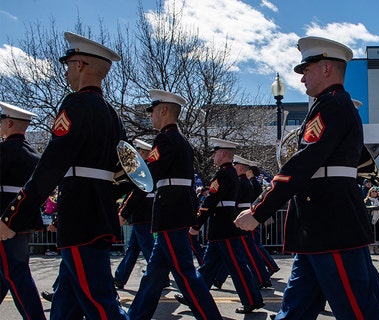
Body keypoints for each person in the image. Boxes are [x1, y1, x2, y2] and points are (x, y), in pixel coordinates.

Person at [234, 36, 379, 319]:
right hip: (319, 226)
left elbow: (303, 162)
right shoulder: (329, 105)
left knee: (356, 311)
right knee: (295, 309)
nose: (303, 78)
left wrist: (259, 210)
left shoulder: (332, 105)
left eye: (307, 70)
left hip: (331, 224)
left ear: (327, 68)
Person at [0, 32, 130, 319]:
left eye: (69, 64)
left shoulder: (76, 104)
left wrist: (13, 215)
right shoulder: (112, 114)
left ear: (80, 65)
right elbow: (126, 173)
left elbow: (51, 166)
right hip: (97, 216)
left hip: (80, 218)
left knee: (101, 305)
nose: (67, 70)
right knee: (66, 305)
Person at [126, 89, 221, 320]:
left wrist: (124, 210)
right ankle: (136, 316)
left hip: (170, 212)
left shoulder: (166, 139)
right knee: (154, 273)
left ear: (164, 110)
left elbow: (147, 178)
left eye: (153, 112)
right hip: (175, 211)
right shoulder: (180, 141)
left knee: (185, 273)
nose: (151, 117)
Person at [177, 138, 264, 314]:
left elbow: (211, 201)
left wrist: (197, 223)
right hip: (222, 226)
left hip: (225, 227)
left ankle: (252, 299)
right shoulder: (228, 173)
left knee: (237, 266)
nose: (212, 157)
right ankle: (193, 295)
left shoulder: (224, 173)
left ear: (223, 154)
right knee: (208, 267)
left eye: (215, 153)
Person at [0, 102, 46, 319]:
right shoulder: (35, 156)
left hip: (3, 219)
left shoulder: (2, 151)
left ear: (9, 123)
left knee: (15, 272)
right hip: (25, 218)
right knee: (6, 271)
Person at [113, 138, 159, 290]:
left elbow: (137, 193)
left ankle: (160, 275)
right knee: (133, 249)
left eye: (139, 152)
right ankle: (120, 277)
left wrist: (124, 213)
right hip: (143, 214)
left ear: (143, 153)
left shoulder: (146, 170)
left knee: (148, 249)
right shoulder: (150, 168)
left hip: (142, 215)